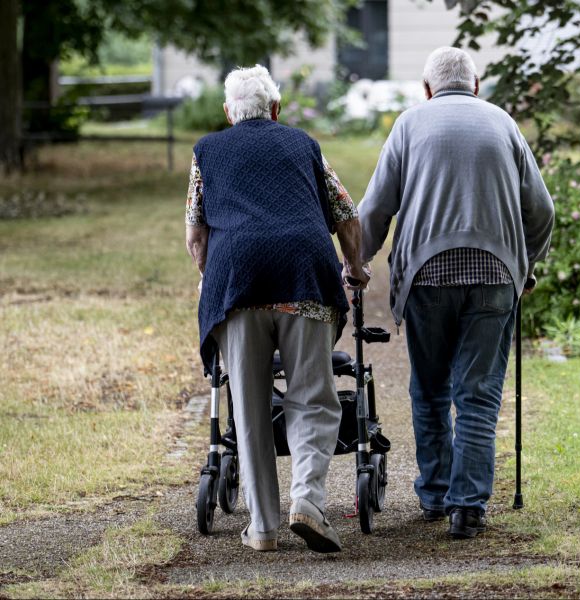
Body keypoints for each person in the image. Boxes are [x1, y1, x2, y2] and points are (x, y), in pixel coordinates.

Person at [357, 47, 554, 539]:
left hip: (426, 276)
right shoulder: (504, 124)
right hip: (494, 273)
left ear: (427, 89)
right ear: (477, 85)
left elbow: (376, 208)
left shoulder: (409, 124)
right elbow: (542, 210)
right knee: (478, 394)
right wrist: (524, 268)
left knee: (429, 389)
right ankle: (467, 508)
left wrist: (354, 261)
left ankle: (436, 493)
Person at [184, 65, 369, 553]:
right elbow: (346, 213)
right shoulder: (303, 145)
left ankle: (262, 527)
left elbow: (196, 233)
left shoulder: (207, 150)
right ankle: (307, 501)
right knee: (311, 396)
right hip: (303, 274)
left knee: (246, 407)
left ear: (228, 113)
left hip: (236, 283)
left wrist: (209, 277)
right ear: (276, 109)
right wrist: (355, 268)